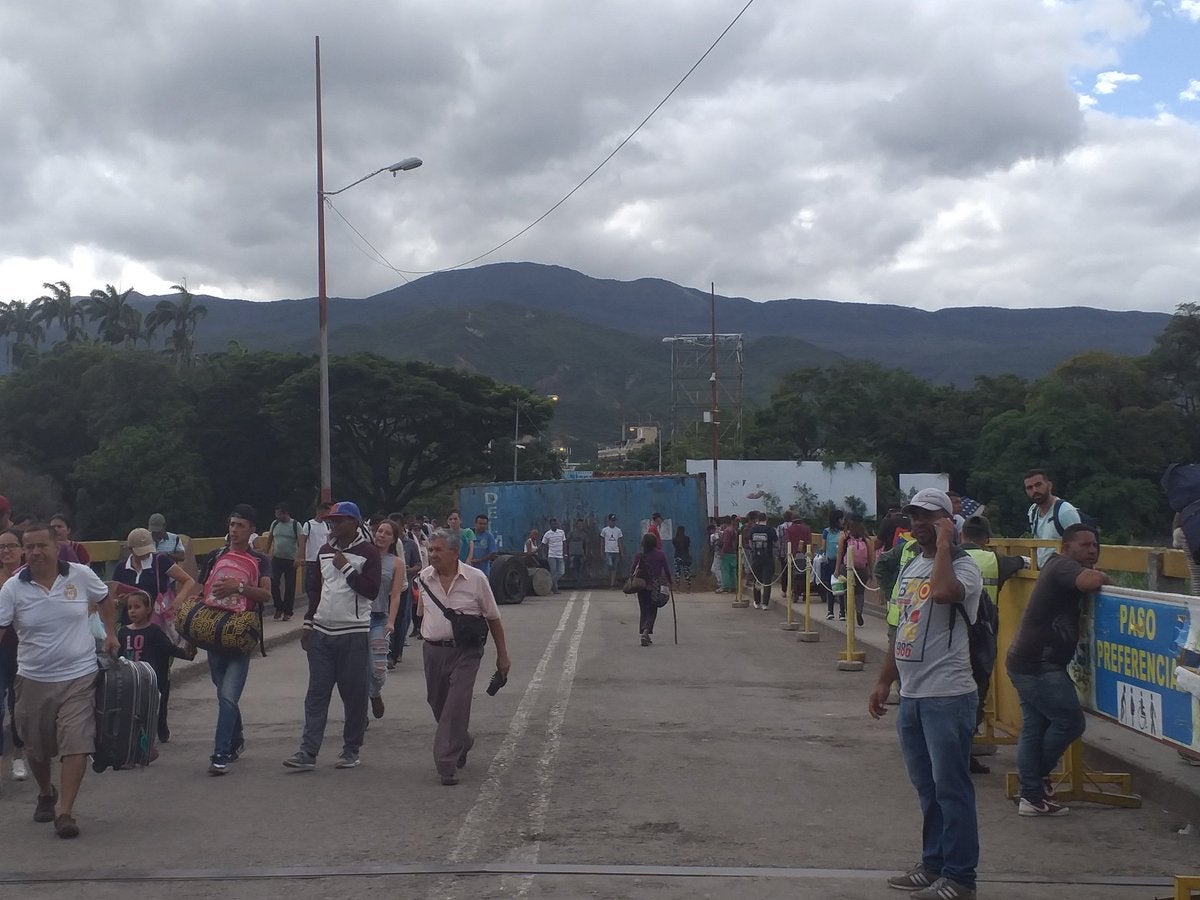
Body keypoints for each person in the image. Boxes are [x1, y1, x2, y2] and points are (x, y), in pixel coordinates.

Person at [868, 488, 983, 900]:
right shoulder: (911, 564)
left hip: (948, 695)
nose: (919, 523)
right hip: (913, 695)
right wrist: (885, 680)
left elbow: (944, 593)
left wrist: (948, 545)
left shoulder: (964, 568)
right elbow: (902, 627)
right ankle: (933, 863)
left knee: (951, 789)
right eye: (915, 516)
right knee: (928, 789)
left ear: (948, 522)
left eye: (930, 516)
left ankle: (960, 877)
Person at [0, 522, 117, 838]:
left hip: (79, 675)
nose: (36, 552)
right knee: (36, 748)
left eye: (42, 545)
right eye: (30, 546)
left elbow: (105, 599)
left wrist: (110, 634)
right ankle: (45, 792)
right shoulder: (13, 588)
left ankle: (65, 812)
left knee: (76, 741)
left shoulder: (79, 575)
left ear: (56, 547)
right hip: (33, 678)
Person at [1006, 523, 1111, 817]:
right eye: (1085, 545)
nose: (1092, 550)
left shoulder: (1057, 565)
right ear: (1066, 548)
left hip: (1028, 661)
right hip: (1038, 665)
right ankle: (1035, 784)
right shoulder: (1063, 566)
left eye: (1095, 545)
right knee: (1070, 722)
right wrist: (1104, 577)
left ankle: (1031, 795)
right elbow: (1090, 581)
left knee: (1035, 728)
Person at [285, 501, 380, 772]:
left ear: (355, 523)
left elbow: (371, 591)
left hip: (353, 633)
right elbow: (316, 591)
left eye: (340, 521)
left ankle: (351, 749)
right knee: (316, 693)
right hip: (323, 632)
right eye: (331, 521)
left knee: (354, 695)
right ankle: (308, 751)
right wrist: (307, 623)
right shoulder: (324, 551)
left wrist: (347, 568)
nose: (334, 525)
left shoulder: (368, 553)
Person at [418, 528, 511, 785]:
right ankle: (462, 740)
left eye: (438, 550)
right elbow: (422, 613)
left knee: (457, 703)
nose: (432, 554)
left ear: (454, 552)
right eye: (430, 549)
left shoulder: (476, 578)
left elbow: (493, 619)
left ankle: (445, 762)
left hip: (466, 652)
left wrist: (502, 657)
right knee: (437, 702)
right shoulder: (424, 578)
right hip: (433, 651)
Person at [198, 506, 270, 775]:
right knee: (222, 692)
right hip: (212, 631)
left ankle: (220, 752)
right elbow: (200, 590)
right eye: (231, 524)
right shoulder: (216, 555)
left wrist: (238, 588)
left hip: (239, 635)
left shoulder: (261, 561)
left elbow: (266, 595)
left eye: (240, 525)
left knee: (228, 696)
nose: (234, 530)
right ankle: (236, 736)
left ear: (252, 529)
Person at [112, 527, 198, 742]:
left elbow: (188, 581)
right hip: (130, 627)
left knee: (160, 675)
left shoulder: (160, 562)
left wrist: (178, 600)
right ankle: (139, 722)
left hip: (158, 627)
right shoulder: (122, 569)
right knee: (132, 676)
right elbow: (112, 596)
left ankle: (160, 719)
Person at [117, 589, 196, 752]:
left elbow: (169, 649)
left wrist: (187, 654)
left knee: (157, 707)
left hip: (156, 679)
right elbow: (119, 656)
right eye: (130, 607)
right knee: (134, 709)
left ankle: (161, 729)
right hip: (132, 679)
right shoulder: (123, 632)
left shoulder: (154, 631)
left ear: (148, 610)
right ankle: (138, 740)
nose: (132, 610)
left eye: (137, 607)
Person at [368, 520, 405, 719]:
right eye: (379, 531)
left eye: (387, 533)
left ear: (393, 539)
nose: (381, 535)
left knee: (378, 668)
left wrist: (391, 621)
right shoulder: (364, 555)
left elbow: (396, 595)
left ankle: (374, 693)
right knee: (357, 668)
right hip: (358, 618)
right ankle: (358, 714)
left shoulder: (397, 563)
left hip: (379, 618)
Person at [0, 529, 27, 785]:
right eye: (1, 547)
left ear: (22, 549)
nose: (6, 551)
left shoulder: (27, 578)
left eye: (11, 546)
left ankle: (18, 754)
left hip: (22, 650)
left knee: (17, 706)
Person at [1024, 469, 1081, 567]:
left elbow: (1080, 546)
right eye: (1029, 488)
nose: (1035, 490)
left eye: (1038, 485)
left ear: (1049, 485)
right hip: (1041, 571)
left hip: (1062, 572)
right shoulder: (1033, 511)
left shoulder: (1065, 511)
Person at [630, 531, 673, 646]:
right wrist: (670, 582)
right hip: (654, 586)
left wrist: (632, 581)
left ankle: (645, 632)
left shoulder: (639, 555)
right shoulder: (660, 554)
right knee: (652, 610)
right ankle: (646, 632)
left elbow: (632, 570)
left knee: (643, 610)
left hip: (641, 586)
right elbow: (667, 570)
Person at [262, 503, 301, 621]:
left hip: (291, 560)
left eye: (279, 514)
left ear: (285, 513)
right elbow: (270, 539)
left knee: (290, 586)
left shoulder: (295, 525)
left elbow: (301, 542)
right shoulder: (275, 524)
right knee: (273, 583)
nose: (277, 516)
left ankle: (288, 611)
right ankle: (278, 607)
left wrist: (299, 557)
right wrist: (265, 553)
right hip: (276, 558)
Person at [836, 514, 875, 627]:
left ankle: (849, 616)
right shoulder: (866, 539)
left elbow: (839, 555)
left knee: (847, 592)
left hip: (847, 568)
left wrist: (837, 569)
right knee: (859, 592)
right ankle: (859, 611)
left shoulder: (844, 536)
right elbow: (871, 558)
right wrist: (871, 572)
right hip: (862, 569)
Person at [297, 502, 331, 617]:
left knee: (323, 584)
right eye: (327, 512)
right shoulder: (308, 524)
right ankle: (313, 606)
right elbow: (303, 540)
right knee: (311, 585)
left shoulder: (326, 526)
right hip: (311, 559)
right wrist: (301, 556)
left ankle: (317, 607)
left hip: (323, 560)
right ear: (320, 511)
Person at [745, 511, 777, 610]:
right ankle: (765, 604)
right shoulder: (770, 529)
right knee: (767, 581)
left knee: (757, 580)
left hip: (756, 558)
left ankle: (757, 602)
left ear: (757, 520)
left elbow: (750, 541)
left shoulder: (753, 529)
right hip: (768, 558)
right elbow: (776, 542)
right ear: (766, 519)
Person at [821, 509, 845, 620]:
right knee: (841, 586)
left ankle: (830, 611)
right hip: (842, 562)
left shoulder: (826, 531)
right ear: (839, 519)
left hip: (830, 561)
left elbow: (823, 547)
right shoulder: (844, 533)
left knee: (831, 586)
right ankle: (842, 612)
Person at [784, 513, 813, 603]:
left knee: (794, 575)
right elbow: (809, 541)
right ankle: (805, 593)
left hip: (793, 555)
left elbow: (787, 541)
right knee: (806, 575)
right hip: (805, 554)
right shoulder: (807, 529)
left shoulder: (789, 529)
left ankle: (795, 593)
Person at [541, 518, 566, 594]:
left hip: (560, 555)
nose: (554, 525)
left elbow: (564, 543)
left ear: (557, 524)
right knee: (553, 572)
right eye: (552, 524)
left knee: (561, 572)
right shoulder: (547, 534)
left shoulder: (561, 532)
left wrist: (565, 553)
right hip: (551, 555)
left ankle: (549, 583)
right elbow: (543, 545)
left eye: (555, 523)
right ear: (550, 525)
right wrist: (543, 554)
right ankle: (555, 589)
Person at [600, 514, 624, 588]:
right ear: (609, 521)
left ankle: (612, 583)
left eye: (614, 521)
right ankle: (610, 580)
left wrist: (621, 552)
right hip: (608, 551)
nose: (613, 522)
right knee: (610, 565)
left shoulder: (618, 530)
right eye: (611, 520)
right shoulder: (604, 530)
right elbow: (602, 541)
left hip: (616, 551)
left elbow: (619, 542)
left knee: (614, 568)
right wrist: (601, 551)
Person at [719, 517, 739, 595]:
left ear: (724, 523)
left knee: (725, 571)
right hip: (733, 553)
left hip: (727, 553)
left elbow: (726, 542)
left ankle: (725, 587)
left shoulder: (727, 531)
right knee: (732, 571)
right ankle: (734, 586)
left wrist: (722, 552)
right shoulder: (734, 530)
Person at [567, 518, 588, 582]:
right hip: (573, 554)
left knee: (580, 569)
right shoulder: (571, 533)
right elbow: (566, 542)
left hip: (580, 554)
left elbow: (586, 545)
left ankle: (579, 583)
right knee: (573, 568)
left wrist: (585, 555)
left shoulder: (584, 534)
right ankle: (575, 581)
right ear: (576, 525)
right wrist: (566, 553)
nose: (580, 526)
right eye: (579, 524)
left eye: (582, 524)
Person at [673, 525, 692, 591]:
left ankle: (678, 588)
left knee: (677, 573)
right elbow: (688, 546)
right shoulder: (687, 539)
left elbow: (675, 546)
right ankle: (688, 588)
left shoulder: (674, 539)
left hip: (677, 556)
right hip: (685, 557)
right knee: (686, 572)